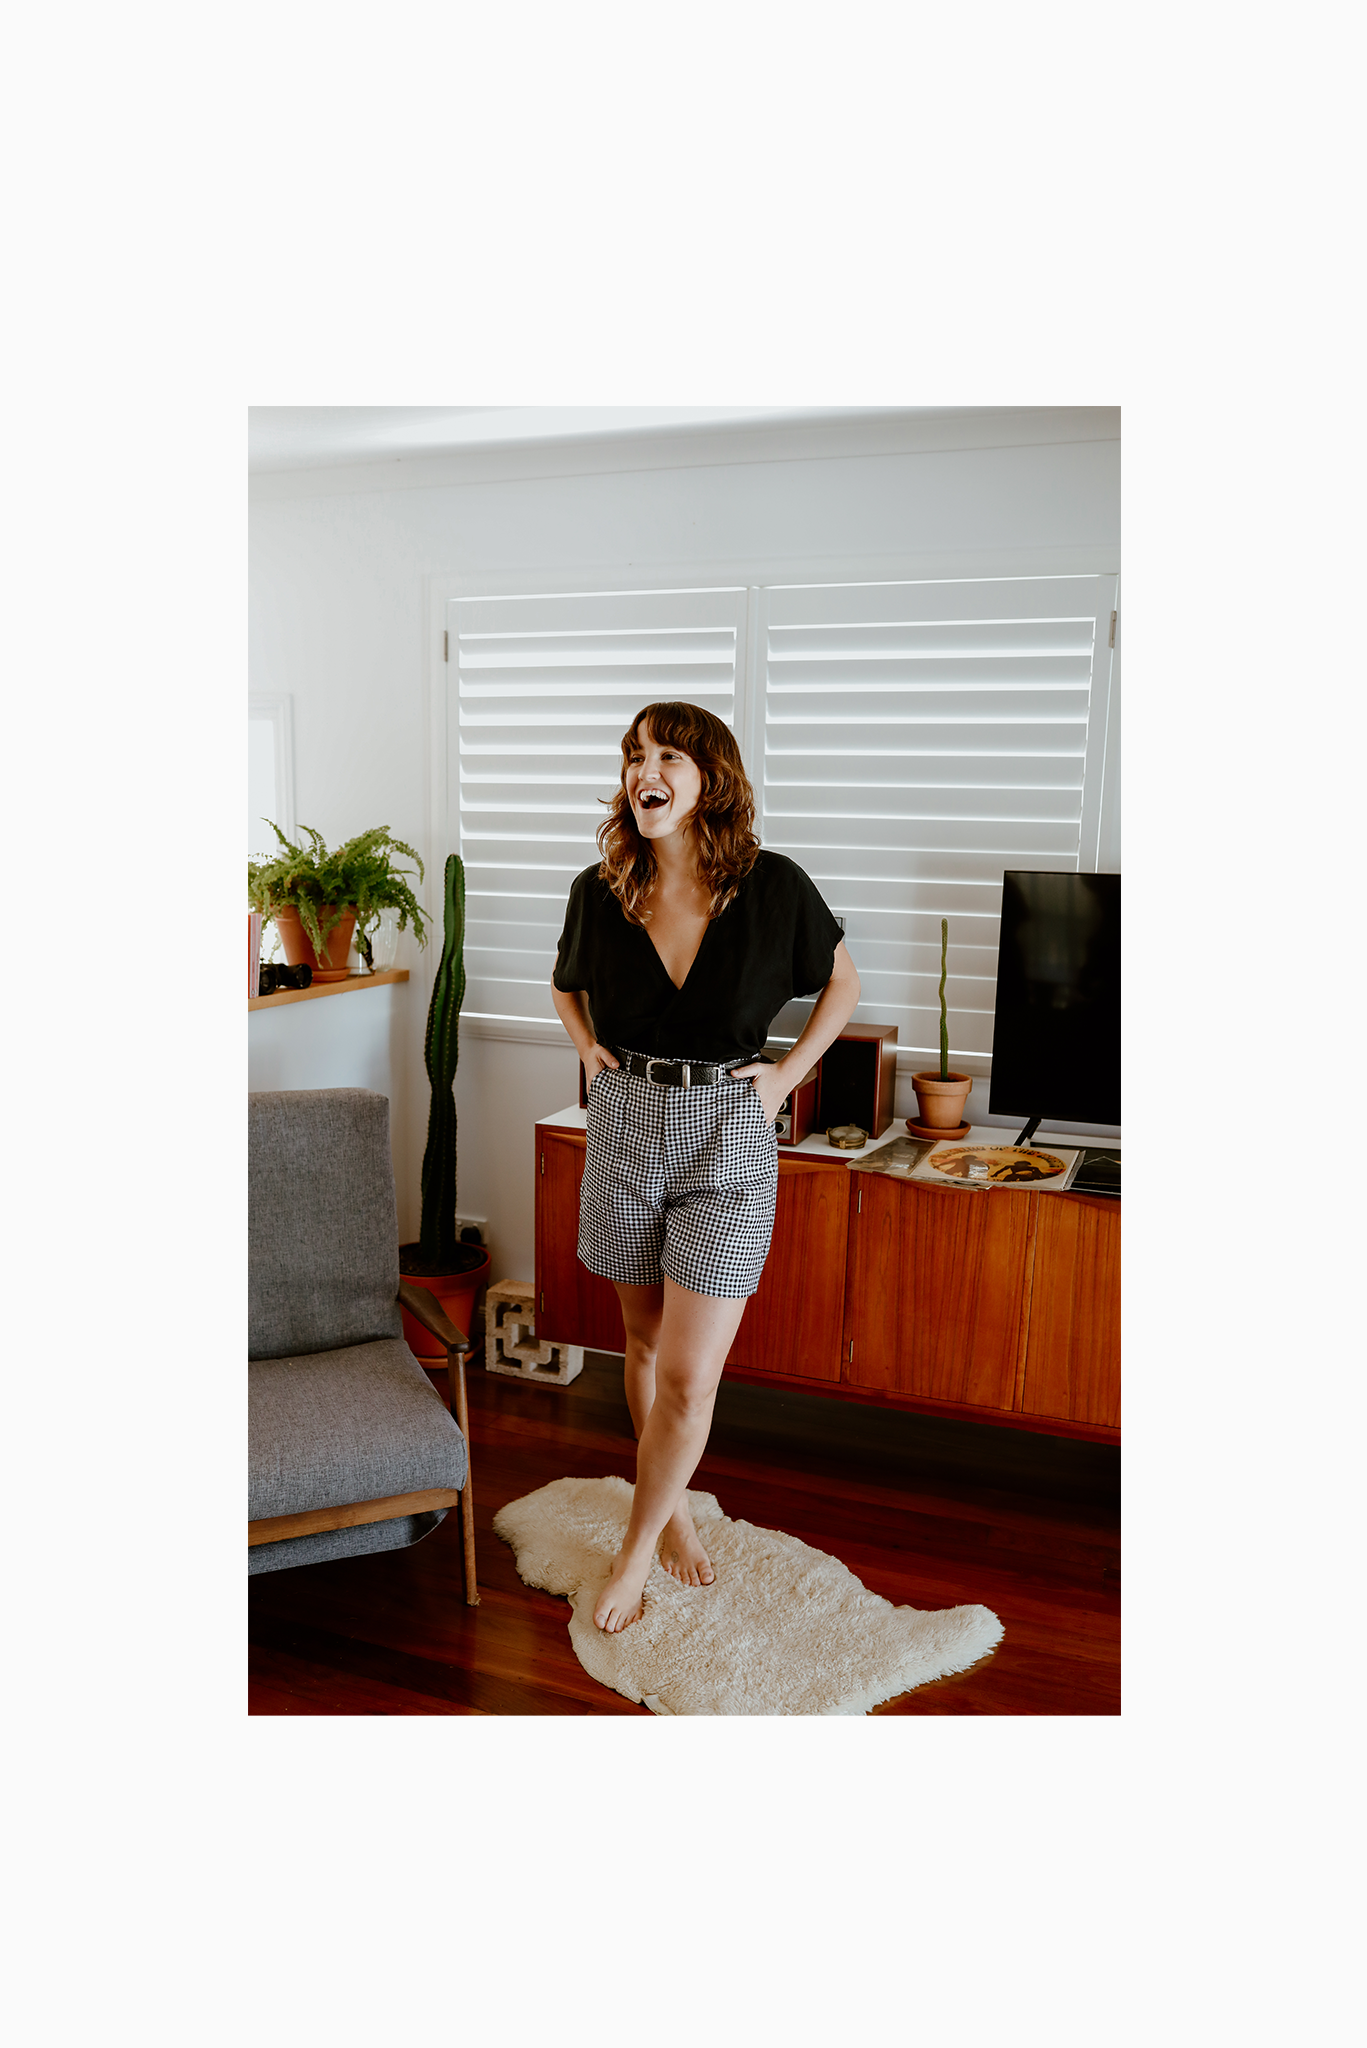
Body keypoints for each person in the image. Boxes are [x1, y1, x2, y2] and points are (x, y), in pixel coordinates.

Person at [550, 700, 861, 1631]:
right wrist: (588, 1050)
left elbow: (842, 981)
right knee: (641, 1344)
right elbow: (564, 986)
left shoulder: (773, 885)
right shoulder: (600, 888)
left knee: (688, 1376)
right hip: (625, 1121)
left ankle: (634, 1551)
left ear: (708, 779)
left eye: (667, 757)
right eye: (633, 757)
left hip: (728, 1125)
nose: (643, 771)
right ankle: (675, 1508)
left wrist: (786, 1079)